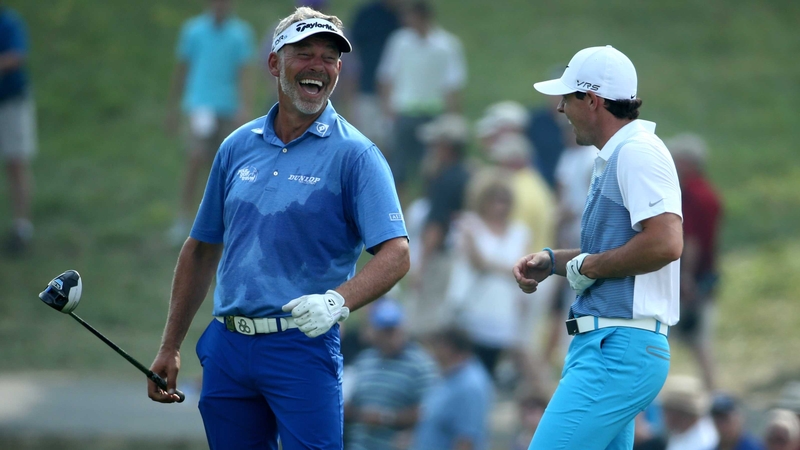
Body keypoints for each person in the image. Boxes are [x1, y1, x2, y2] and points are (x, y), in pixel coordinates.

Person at [147, 7, 410, 450]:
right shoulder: (237, 147)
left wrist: (336, 301)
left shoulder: (356, 156)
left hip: (301, 347)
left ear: (339, 71)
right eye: (303, 53)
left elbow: (397, 253)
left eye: (329, 58)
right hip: (228, 346)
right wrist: (171, 345)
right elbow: (202, 248)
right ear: (274, 64)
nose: (318, 65)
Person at [513, 45, 683, 450]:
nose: (559, 108)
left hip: (617, 349)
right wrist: (554, 261)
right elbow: (615, 253)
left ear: (592, 100)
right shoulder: (621, 154)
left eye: (567, 97)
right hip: (612, 347)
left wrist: (587, 267)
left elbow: (665, 242)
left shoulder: (636, 153)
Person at [165, 0, 256, 244]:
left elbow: (243, 73)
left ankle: (225, 222)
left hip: (227, 107)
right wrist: (173, 107)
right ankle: (183, 218)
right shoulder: (193, 30)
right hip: (200, 105)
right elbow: (183, 68)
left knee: (227, 167)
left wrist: (244, 106)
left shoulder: (240, 33)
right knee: (196, 158)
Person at [445, 179, 533, 383]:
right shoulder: (469, 224)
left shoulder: (519, 232)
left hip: (503, 310)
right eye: (494, 201)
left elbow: (522, 268)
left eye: (504, 201)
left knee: (491, 369)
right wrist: (505, 267)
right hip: (472, 307)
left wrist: (490, 264)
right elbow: (475, 262)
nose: (499, 207)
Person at [376, 0, 467, 199]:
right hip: (405, 112)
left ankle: (425, 205)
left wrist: (452, 119)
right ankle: (400, 209)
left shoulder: (447, 46)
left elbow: (452, 86)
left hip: (433, 114)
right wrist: (387, 114)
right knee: (398, 168)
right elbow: (387, 77)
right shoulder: (399, 42)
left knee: (432, 168)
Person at [403, 114, 471, 338]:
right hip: (460, 256)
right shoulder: (467, 174)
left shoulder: (445, 180)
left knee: (425, 322)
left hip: (441, 258)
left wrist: (421, 265)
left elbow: (436, 227)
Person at [667, 132, 722, 391]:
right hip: (707, 274)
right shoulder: (709, 193)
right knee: (698, 339)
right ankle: (710, 387)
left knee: (693, 336)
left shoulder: (692, 195)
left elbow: (692, 240)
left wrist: (685, 276)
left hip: (693, 278)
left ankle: (709, 390)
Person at [345, 297, 437, 450]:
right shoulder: (364, 360)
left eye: (394, 329)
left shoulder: (421, 364)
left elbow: (430, 411)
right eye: (385, 330)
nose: (390, 336)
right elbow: (350, 404)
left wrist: (386, 418)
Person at [411, 327, 494, 450]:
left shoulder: (470, 386)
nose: (432, 352)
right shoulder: (449, 374)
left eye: (436, 346)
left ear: (448, 348)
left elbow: (466, 441)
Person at [0, 5, 36, 254]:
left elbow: (17, 55)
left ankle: (21, 227)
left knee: (16, 161)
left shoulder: (9, 22)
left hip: (12, 101)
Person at [349, 0, 402, 147]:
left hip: (396, 91)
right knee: (366, 137)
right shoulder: (367, 14)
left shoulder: (402, 16)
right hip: (367, 85)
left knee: (389, 140)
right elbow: (352, 49)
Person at [660, 375, 719, 450]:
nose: (663, 415)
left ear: (679, 413)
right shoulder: (680, 434)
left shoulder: (704, 443)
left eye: (667, 410)